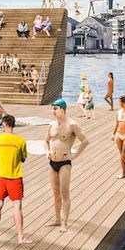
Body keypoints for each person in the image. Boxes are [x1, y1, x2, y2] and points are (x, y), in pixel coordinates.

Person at [46, 99, 89, 232]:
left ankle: (65, 222)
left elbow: (85, 141)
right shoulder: (52, 125)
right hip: (52, 163)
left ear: (62, 109)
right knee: (55, 193)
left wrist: (74, 156)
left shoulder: (72, 125)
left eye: (55, 109)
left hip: (64, 163)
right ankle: (57, 219)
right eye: (53, 109)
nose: (53, 111)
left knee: (64, 193)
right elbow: (46, 141)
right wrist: (47, 151)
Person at [0, 115, 31, 245]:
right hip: (15, 177)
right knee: (17, 207)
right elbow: (23, 159)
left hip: (0, 177)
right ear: (13, 125)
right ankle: (20, 237)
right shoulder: (21, 141)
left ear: (4, 124)